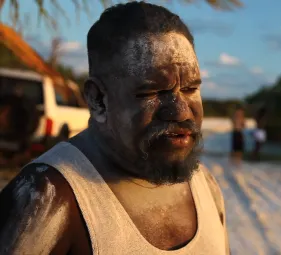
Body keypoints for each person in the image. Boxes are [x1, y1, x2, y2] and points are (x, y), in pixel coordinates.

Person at [0, 2, 230, 254]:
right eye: (153, 92)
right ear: (98, 100)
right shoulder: (46, 197)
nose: (181, 111)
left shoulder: (205, 186)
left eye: (190, 89)